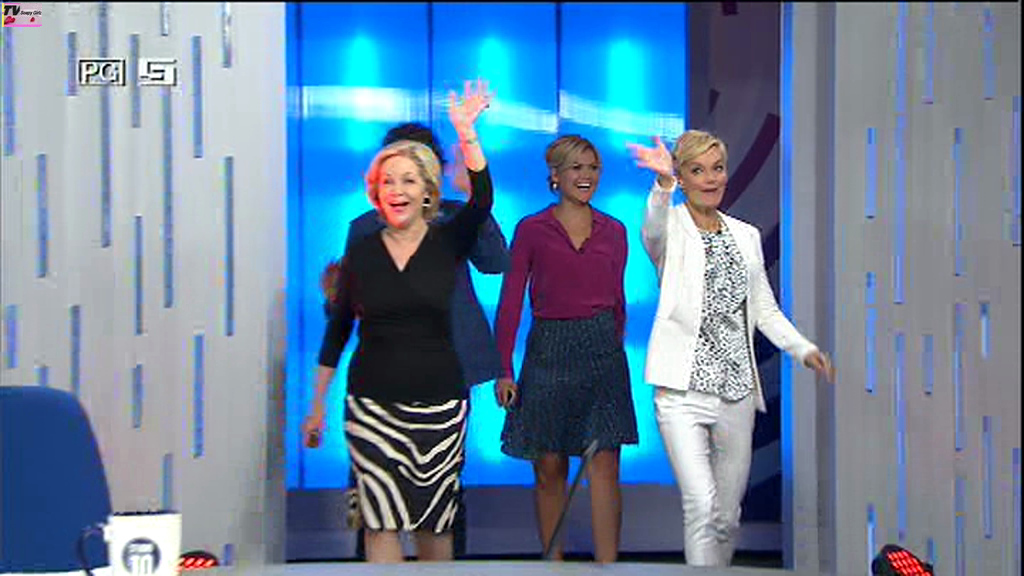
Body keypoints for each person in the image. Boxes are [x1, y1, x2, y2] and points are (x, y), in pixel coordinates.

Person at [303, 80, 494, 563]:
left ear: (430, 179)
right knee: (376, 513)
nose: (399, 188)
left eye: (411, 176)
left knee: (438, 513)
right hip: (374, 393)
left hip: (442, 388)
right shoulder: (363, 237)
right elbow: (341, 322)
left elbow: (493, 248)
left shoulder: (453, 229)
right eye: (389, 177)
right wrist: (317, 404)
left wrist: (469, 143)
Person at [628, 130, 836, 567]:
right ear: (683, 177)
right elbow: (652, 230)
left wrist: (802, 349)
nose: (710, 179)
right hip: (681, 391)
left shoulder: (746, 235)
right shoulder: (671, 227)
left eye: (717, 169)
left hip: (736, 390)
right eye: (697, 170)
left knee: (725, 517)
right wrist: (662, 184)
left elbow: (764, 308)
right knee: (701, 507)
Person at [337, 121, 510, 560]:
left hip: (449, 368)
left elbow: (496, 261)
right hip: (384, 374)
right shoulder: (364, 227)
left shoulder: (457, 218)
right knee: (375, 487)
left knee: (442, 484)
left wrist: (471, 197)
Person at [493, 134, 639, 564]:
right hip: (548, 351)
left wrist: (611, 344)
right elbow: (510, 302)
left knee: (604, 462)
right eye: (577, 168)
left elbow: (618, 300)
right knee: (549, 465)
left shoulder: (615, 231)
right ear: (555, 175)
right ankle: (552, 565)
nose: (586, 176)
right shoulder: (531, 229)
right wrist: (504, 369)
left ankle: (609, 567)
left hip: (602, 352)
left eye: (593, 168)